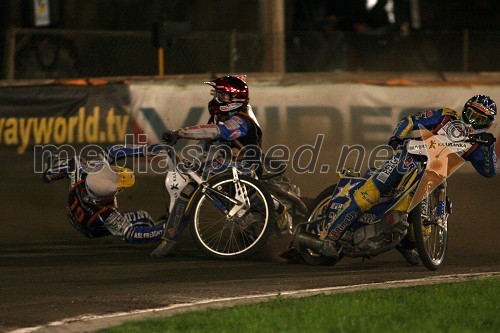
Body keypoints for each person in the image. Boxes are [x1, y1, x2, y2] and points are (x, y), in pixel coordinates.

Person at [319, 95, 497, 264]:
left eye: (480, 119)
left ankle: (406, 245)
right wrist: (397, 138)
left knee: (420, 222)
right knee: (370, 194)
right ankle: (329, 238)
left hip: (437, 173)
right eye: (471, 114)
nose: (473, 121)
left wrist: (489, 147)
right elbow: (411, 120)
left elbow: (490, 172)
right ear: (465, 110)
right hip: (409, 158)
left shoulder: (479, 144)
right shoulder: (446, 116)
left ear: (487, 125)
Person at [151, 75, 264, 258]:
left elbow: (217, 132)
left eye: (221, 95)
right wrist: (197, 162)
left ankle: (169, 238)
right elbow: (208, 143)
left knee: (188, 189)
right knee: (192, 177)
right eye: (216, 93)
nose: (216, 98)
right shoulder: (224, 116)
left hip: (243, 166)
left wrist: (180, 133)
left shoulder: (241, 119)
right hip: (230, 166)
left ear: (234, 99)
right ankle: (170, 222)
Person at [44, 159, 165, 244]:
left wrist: (49, 174)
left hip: (73, 211)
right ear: (104, 197)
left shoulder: (80, 178)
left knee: (81, 162)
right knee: (143, 216)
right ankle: (160, 235)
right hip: (91, 229)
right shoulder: (106, 215)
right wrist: (164, 230)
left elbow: (72, 162)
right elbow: (131, 234)